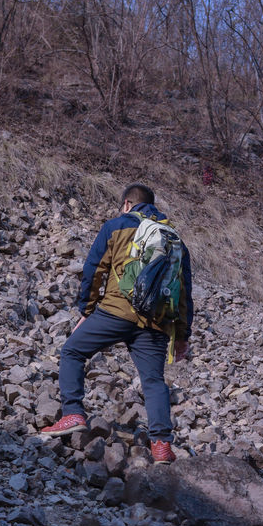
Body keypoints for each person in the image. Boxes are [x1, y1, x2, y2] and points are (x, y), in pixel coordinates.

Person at [40, 183, 193, 463]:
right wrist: (182, 335)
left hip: (115, 312)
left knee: (73, 351)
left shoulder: (116, 226)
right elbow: (184, 291)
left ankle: (73, 413)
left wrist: (86, 311)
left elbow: (94, 269)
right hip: (155, 322)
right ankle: (161, 446)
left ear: (126, 204)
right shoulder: (174, 238)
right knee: (154, 381)